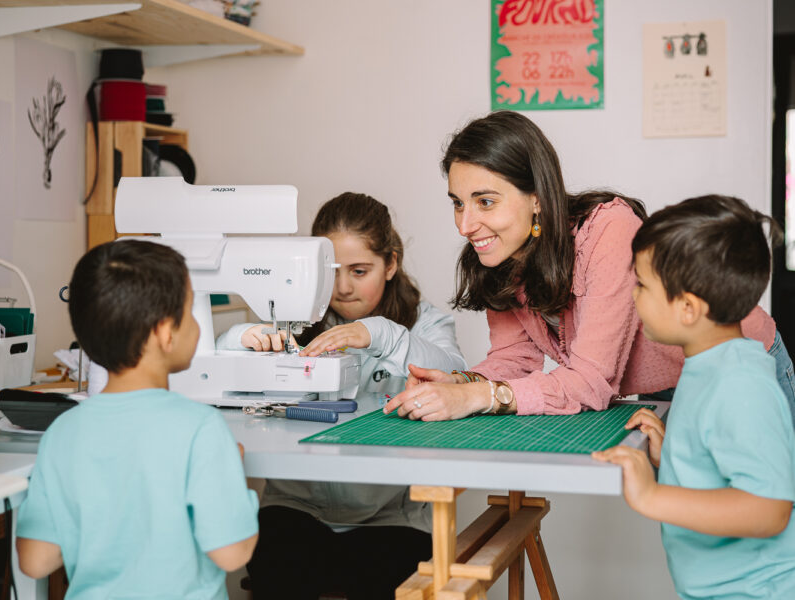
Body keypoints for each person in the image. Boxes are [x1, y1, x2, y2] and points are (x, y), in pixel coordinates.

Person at [384, 110, 794, 421]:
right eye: (458, 203)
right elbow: (513, 359)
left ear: (537, 198)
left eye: (485, 201)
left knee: (770, 510)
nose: (465, 225)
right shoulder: (501, 254)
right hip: (667, 384)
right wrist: (463, 382)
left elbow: (592, 381)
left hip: (739, 366)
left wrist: (480, 397)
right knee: (699, 521)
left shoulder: (610, 230)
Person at [217, 192, 467, 600]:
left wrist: (383, 334)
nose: (344, 287)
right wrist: (237, 340)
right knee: (275, 570)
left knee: (391, 579)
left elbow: (456, 372)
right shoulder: (293, 317)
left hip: (391, 519)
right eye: (330, 271)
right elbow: (224, 375)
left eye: (359, 270)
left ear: (392, 263)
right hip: (296, 509)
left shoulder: (427, 324)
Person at [16, 240, 259, 599]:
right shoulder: (201, 430)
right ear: (165, 332)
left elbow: (35, 561)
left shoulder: (62, 433)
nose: (196, 324)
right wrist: (231, 476)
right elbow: (232, 552)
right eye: (191, 310)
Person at [593, 195, 795, 599]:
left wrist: (653, 495)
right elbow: (722, 464)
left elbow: (768, 510)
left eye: (642, 286)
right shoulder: (708, 366)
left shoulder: (741, 386)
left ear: (688, 308)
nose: (632, 297)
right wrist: (672, 457)